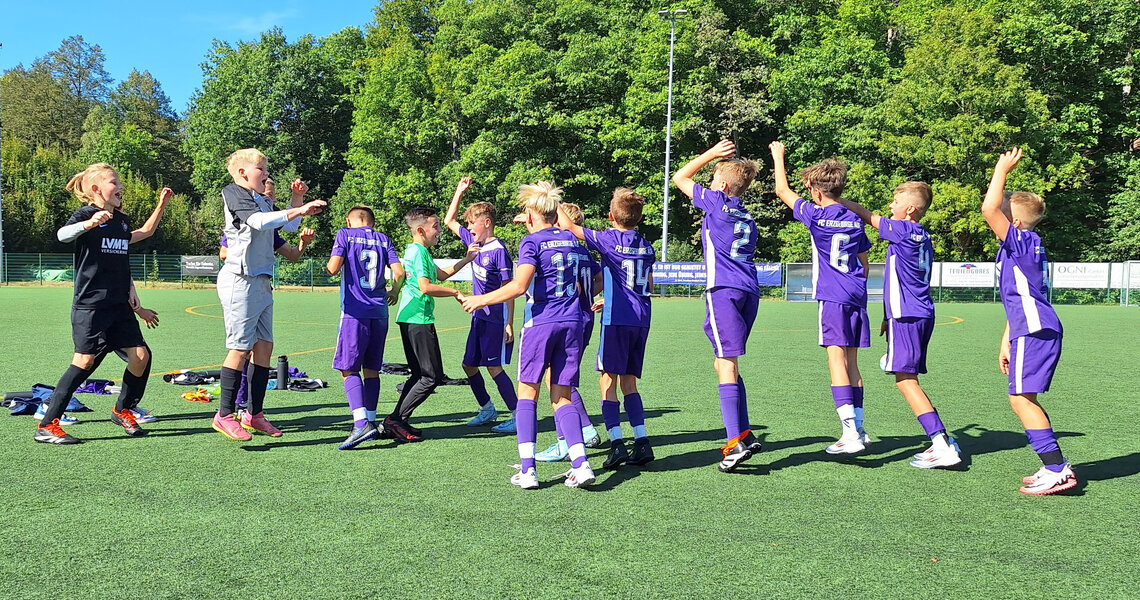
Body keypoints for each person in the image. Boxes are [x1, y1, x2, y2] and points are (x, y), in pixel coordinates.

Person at [460, 181, 597, 489]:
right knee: (562, 397)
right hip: (573, 323)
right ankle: (581, 464)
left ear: (533, 215)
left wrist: (480, 299)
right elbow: (565, 225)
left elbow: (519, 286)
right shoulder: (571, 240)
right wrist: (547, 201)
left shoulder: (531, 243)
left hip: (541, 324)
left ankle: (528, 470)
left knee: (528, 394)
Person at [34, 163, 170, 444]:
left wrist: (161, 205)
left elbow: (139, 238)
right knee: (83, 362)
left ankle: (123, 410)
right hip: (91, 306)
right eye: (114, 182)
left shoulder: (121, 220)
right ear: (96, 189)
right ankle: (47, 426)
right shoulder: (86, 214)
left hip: (119, 306)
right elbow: (62, 235)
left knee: (141, 356)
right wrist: (89, 224)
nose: (120, 186)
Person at [837, 183, 963, 468]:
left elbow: (866, 215)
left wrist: (836, 199)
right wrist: (887, 316)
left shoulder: (903, 230)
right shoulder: (922, 235)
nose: (890, 206)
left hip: (907, 315)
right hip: (919, 313)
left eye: (895, 201)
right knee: (904, 373)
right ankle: (941, 440)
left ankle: (941, 443)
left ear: (910, 210)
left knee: (906, 381)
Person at [212, 148, 326, 441]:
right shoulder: (233, 193)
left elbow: (285, 225)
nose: (266, 174)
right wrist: (299, 208)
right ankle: (224, 415)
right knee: (239, 349)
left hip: (261, 282)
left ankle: (254, 414)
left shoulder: (260, 199)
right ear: (242, 173)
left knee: (264, 348)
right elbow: (258, 222)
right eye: (261, 169)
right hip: (240, 280)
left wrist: (297, 200)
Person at [981, 148, 1074, 495]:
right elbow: (1020, 298)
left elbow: (988, 208)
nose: (998, 217)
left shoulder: (1020, 241)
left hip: (1035, 331)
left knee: (1021, 399)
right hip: (1031, 328)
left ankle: (1057, 468)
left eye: (1006, 215)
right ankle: (1052, 465)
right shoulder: (1022, 247)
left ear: (1016, 223)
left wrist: (1001, 169)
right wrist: (1006, 338)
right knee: (1023, 397)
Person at [770, 141, 872, 455]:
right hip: (856, 294)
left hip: (832, 295)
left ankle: (849, 433)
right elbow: (865, 262)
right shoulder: (854, 219)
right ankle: (859, 427)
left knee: (835, 359)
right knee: (852, 363)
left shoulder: (815, 215)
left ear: (815, 192)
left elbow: (782, 190)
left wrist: (778, 156)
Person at [672, 140, 763, 472]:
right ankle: (744, 432)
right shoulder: (746, 214)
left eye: (712, 180)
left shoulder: (716, 201)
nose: (708, 185)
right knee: (725, 362)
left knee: (726, 363)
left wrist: (710, 154)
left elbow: (679, 177)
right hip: (749, 290)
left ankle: (733, 442)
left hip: (723, 289)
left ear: (722, 186)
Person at [558, 190, 656, 469]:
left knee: (607, 381)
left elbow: (569, 226)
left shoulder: (608, 239)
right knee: (629, 383)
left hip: (616, 320)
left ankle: (616, 444)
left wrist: (552, 199)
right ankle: (641, 441)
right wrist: (610, 296)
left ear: (611, 216)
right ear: (639, 219)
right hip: (641, 318)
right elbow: (648, 286)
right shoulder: (647, 246)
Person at [386, 207, 479, 442]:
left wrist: (467, 259)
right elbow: (426, 287)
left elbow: (441, 275)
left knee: (420, 374)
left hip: (414, 318)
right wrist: (456, 293)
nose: (439, 231)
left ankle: (398, 421)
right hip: (417, 319)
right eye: (435, 226)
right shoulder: (417, 252)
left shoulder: (419, 251)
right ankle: (395, 420)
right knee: (431, 377)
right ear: (420, 230)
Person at [441, 177, 519, 431]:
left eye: (472, 222)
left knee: (494, 366)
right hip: (479, 318)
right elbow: (449, 221)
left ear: (486, 223)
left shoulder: (499, 250)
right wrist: (459, 191)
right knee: (469, 365)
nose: (468, 226)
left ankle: (518, 415)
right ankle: (487, 409)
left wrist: (509, 322)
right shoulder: (474, 245)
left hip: (495, 318)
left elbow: (510, 289)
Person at [326, 205, 405, 449]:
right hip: (379, 312)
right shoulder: (384, 239)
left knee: (348, 368)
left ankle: (360, 424)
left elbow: (333, 268)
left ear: (349, 220)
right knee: (372, 369)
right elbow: (400, 272)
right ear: (371, 222)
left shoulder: (345, 234)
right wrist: (394, 290)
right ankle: (370, 421)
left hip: (354, 312)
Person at [534, 202, 603, 462]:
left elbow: (570, 283)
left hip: (568, 317)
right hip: (584, 317)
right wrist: (587, 298)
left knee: (558, 379)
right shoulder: (583, 251)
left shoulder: (565, 251)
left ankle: (577, 434)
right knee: (562, 377)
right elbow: (599, 279)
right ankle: (583, 430)